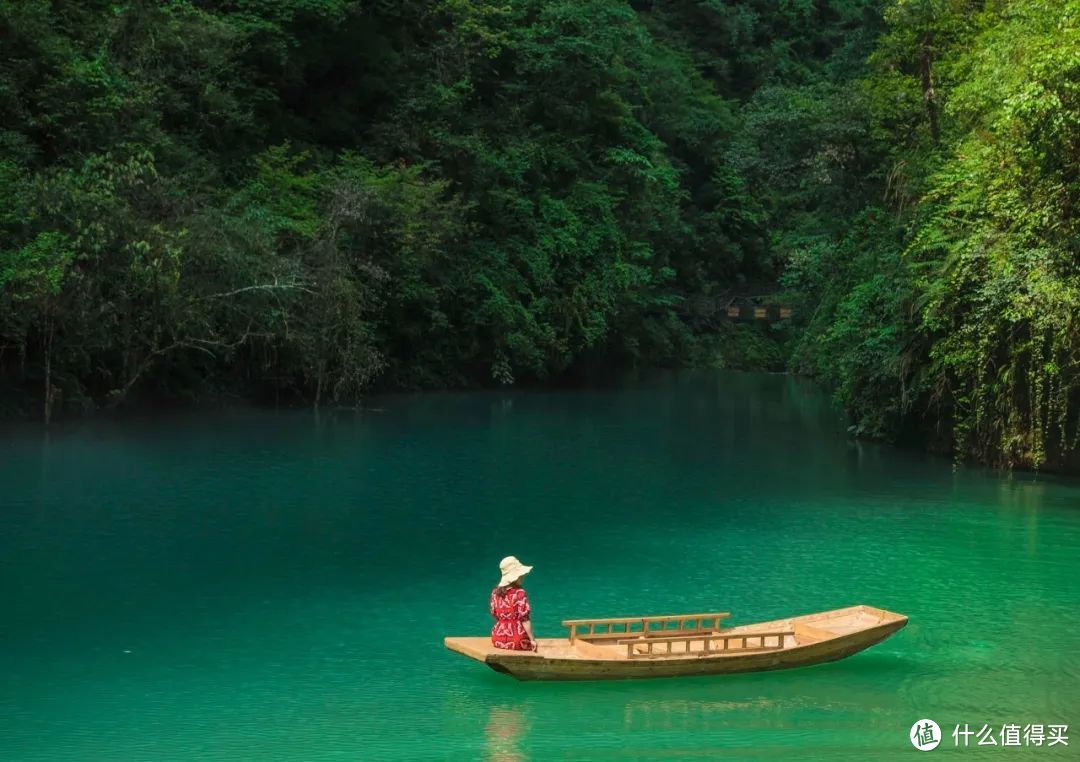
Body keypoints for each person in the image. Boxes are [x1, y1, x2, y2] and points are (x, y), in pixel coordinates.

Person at [490, 555, 538, 652]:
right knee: (529, 643)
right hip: (517, 640)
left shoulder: (495, 593)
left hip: (497, 638)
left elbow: (494, 614)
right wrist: (532, 640)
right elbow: (525, 619)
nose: (523, 576)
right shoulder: (519, 593)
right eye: (521, 575)